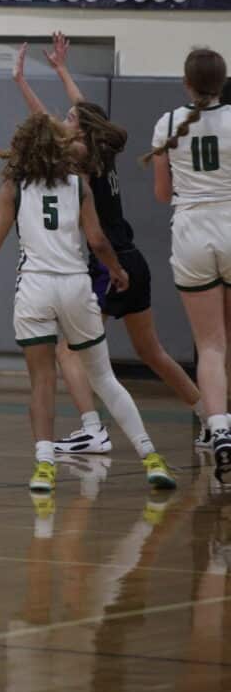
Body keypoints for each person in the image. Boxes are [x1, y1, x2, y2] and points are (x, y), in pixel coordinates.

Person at [0, 111, 176, 494]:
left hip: (34, 288)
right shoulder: (78, 183)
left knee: (42, 381)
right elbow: (97, 241)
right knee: (104, 378)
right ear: (60, 145)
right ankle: (151, 458)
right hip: (75, 288)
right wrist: (116, 270)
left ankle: (44, 468)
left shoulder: (13, 185)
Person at [13, 34, 206, 453]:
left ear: (80, 131)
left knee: (68, 350)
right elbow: (79, 113)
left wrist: (22, 83)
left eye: (71, 118)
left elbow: (44, 123)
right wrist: (63, 71)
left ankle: (91, 430)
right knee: (151, 351)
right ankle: (210, 418)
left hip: (110, 265)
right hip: (134, 260)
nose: (65, 119)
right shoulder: (101, 149)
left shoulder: (79, 154)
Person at [144, 47, 231, 483]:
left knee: (211, 345)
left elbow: (162, 194)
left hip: (193, 232)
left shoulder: (167, 124)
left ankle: (219, 430)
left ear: (186, 81)